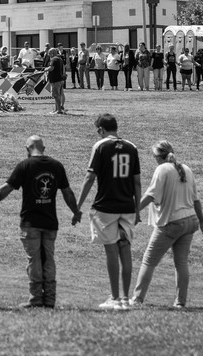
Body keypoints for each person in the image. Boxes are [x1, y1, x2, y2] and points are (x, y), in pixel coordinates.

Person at [0, 135, 81, 308]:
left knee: (34, 260)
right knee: (48, 259)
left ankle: (35, 300)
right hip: (50, 222)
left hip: (30, 222)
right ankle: (49, 300)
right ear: (44, 148)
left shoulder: (25, 165)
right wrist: (76, 212)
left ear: (27, 149)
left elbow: (6, 189)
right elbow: (67, 193)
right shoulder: (56, 166)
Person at [129, 141, 203, 308]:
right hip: (190, 220)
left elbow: (150, 195)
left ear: (158, 157)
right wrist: (201, 220)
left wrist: (134, 212)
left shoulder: (162, 169)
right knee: (181, 262)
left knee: (149, 261)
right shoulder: (186, 168)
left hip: (171, 222)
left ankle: (137, 299)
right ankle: (180, 302)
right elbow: (196, 199)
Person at [76, 113, 141, 310]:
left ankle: (114, 297)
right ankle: (125, 298)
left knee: (111, 249)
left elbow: (89, 178)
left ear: (100, 130)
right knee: (125, 248)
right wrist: (137, 208)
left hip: (106, 206)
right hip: (127, 206)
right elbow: (137, 181)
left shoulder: (101, 146)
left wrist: (77, 206)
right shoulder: (131, 147)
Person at [46, 48, 66, 115]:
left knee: (56, 95)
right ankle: (56, 109)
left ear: (52, 53)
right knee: (57, 95)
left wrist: (45, 69)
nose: (49, 55)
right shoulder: (59, 59)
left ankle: (59, 111)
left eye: (49, 53)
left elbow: (51, 68)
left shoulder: (54, 59)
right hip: (59, 79)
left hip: (55, 80)